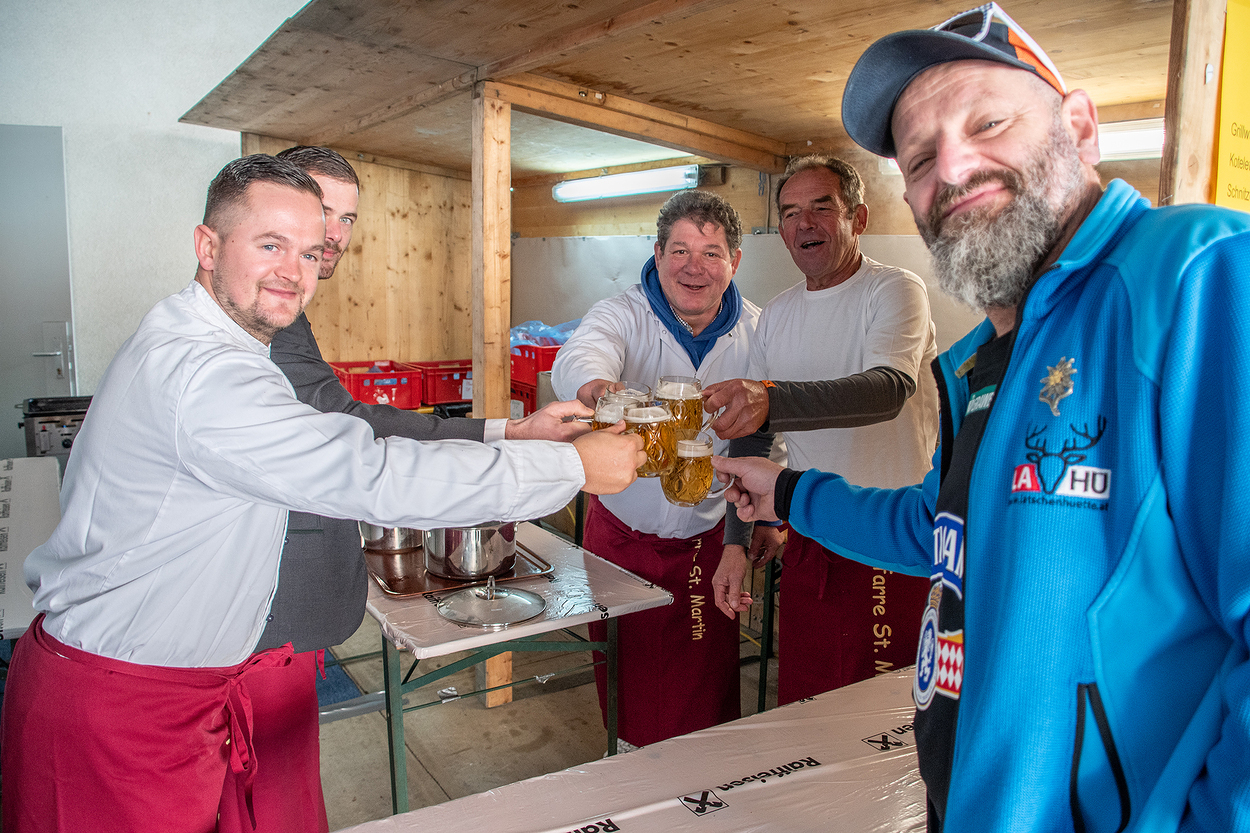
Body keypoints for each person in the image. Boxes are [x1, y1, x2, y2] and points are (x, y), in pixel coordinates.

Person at [712, 4, 1250, 831]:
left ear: (1080, 127)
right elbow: (939, 531)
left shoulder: (1200, 275)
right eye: (922, 157)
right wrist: (784, 493)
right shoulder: (978, 363)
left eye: (988, 123)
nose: (954, 168)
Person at [1, 154, 644, 833]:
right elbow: (369, 472)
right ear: (207, 246)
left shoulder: (220, 339)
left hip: (168, 690)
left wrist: (519, 440)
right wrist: (567, 467)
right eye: (270, 245)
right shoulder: (206, 375)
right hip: (118, 707)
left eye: (310, 252)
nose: (294, 271)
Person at [214, 146, 594, 832]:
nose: (332, 235)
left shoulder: (276, 316)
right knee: (267, 798)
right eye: (320, 212)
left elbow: (346, 423)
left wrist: (512, 429)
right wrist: (558, 463)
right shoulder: (243, 330)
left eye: (346, 219)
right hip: (254, 623)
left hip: (258, 620)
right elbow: (357, 443)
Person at [550, 189, 783, 748]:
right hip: (621, 536)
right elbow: (580, 354)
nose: (693, 267)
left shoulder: (760, 331)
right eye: (679, 250)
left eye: (710, 253)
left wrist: (766, 519)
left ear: (734, 261)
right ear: (657, 255)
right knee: (625, 675)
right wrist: (600, 390)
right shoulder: (623, 313)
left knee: (702, 689)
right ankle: (629, 772)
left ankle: (699, 784)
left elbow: (774, 433)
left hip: (712, 541)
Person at [704, 155, 938, 705]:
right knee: (807, 700)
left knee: (882, 713)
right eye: (789, 212)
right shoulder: (777, 314)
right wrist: (738, 540)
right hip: (810, 530)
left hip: (888, 531)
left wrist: (770, 400)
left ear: (858, 218)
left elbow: (886, 389)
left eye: (821, 208)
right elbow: (754, 433)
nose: (803, 223)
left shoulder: (894, 290)